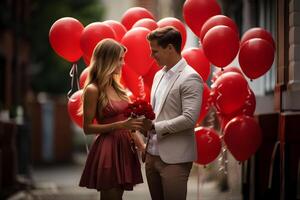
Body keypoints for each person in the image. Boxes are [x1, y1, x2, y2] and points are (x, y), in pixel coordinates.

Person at [79, 38, 145, 200]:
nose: (123, 63)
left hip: (124, 148)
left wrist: (142, 147)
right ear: (108, 60)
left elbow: (129, 124)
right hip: (108, 149)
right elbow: (87, 128)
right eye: (120, 59)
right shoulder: (93, 90)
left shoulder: (119, 88)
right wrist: (120, 124)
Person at [143, 26, 203, 200]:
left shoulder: (190, 77)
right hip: (151, 155)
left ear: (170, 48)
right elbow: (158, 111)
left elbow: (190, 118)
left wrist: (154, 126)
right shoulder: (158, 75)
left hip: (175, 159)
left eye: (155, 51)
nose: (151, 55)